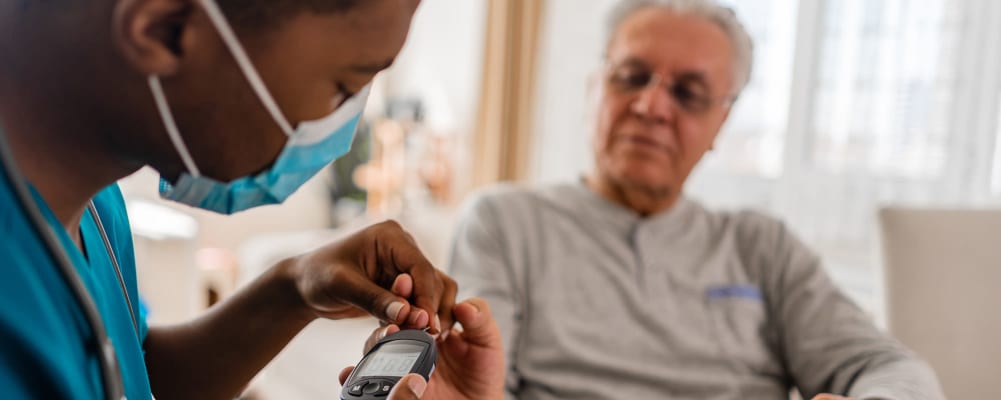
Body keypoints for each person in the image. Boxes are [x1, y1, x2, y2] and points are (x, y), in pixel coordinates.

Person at [0, 0, 503, 399]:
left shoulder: (91, 199)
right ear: (164, 30)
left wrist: (295, 288)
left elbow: (124, 373)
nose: (341, 130)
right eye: (342, 86)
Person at [449, 0, 945, 399]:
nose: (651, 107)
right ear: (595, 87)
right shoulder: (504, 222)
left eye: (688, 92)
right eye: (632, 76)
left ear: (720, 124)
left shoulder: (762, 246)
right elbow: (482, 384)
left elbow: (890, 368)